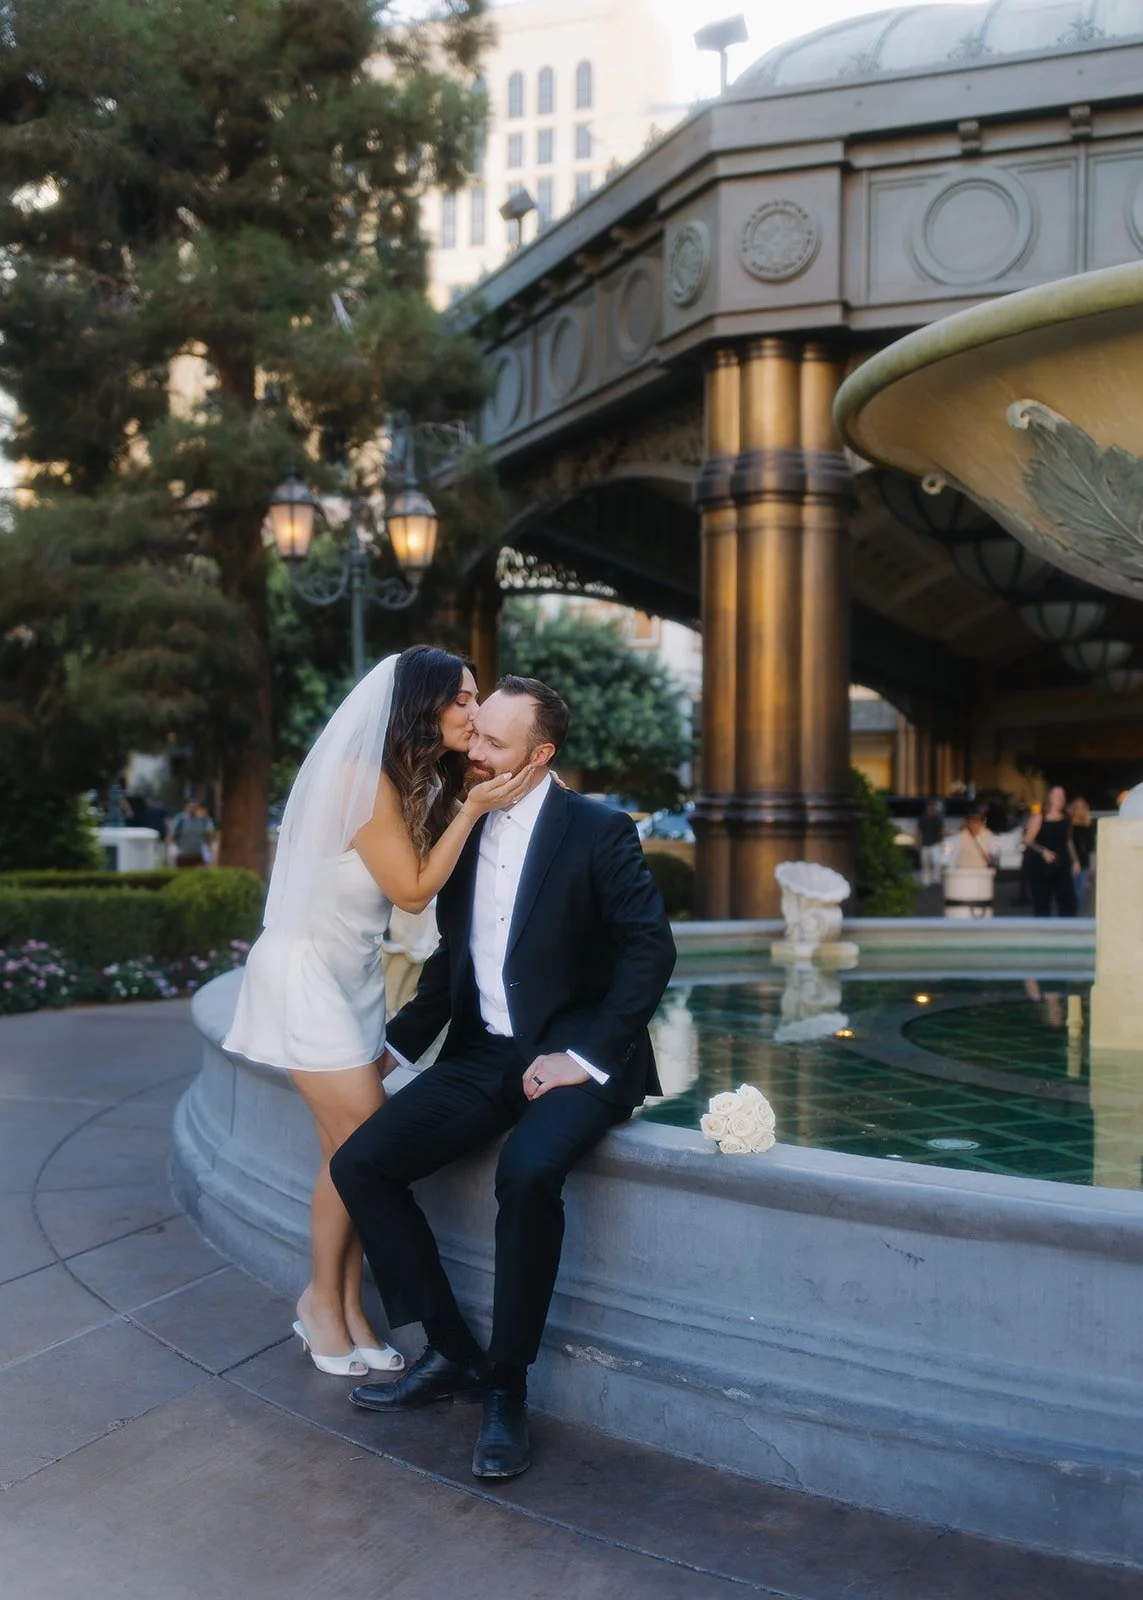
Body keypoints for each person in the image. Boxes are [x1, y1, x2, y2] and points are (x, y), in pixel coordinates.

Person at [330, 675, 677, 1480]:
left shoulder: (598, 829)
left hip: (578, 1055)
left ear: (540, 755)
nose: (473, 750)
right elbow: (459, 956)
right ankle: (453, 1352)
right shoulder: (467, 818)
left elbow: (648, 951)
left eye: (492, 743)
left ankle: (507, 1390)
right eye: (475, 732)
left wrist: (584, 1059)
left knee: (525, 1174)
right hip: (485, 1052)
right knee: (361, 1164)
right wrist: (396, 1044)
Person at [224, 648, 532, 1379]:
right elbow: (413, 890)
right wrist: (476, 810)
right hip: (304, 979)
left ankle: (343, 1306)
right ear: (421, 704)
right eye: (461, 699)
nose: (473, 711)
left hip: (352, 980)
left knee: (349, 1157)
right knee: (367, 1149)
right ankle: (322, 1304)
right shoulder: (358, 780)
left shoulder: (408, 780)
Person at [1023, 784, 1080, 917]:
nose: (1060, 799)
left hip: (1062, 864)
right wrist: (1043, 851)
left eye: (1062, 796)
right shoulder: (1040, 818)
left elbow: (1069, 841)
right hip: (1041, 866)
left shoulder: (1067, 818)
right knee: (1042, 904)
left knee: (1069, 902)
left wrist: (1075, 860)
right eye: (1057, 796)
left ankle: (1066, 931)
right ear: (1050, 798)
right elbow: (1028, 840)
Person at [169, 797, 215, 868]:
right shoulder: (180, 820)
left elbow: (207, 836)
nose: (193, 809)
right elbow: (171, 836)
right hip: (182, 855)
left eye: (195, 807)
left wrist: (210, 851)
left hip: (197, 855)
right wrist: (169, 854)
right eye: (191, 807)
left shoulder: (203, 821)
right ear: (186, 808)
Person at [1069, 797, 1095, 910]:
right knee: (1072, 891)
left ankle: (1075, 916)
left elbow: (1091, 847)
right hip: (1071, 863)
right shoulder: (1069, 826)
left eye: (1082, 807)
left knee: (1080, 892)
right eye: (1077, 807)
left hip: (1084, 863)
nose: (1080, 810)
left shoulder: (1088, 827)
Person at [915, 801, 944, 886]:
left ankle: (936, 880)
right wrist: (917, 842)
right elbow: (919, 831)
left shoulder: (937, 819)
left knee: (936, 862)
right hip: (925, 844)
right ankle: (926, 881)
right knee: (925, 863)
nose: (930, 810)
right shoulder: (922, 819)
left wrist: (941, 842)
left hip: (935, 844)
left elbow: (941, 831)